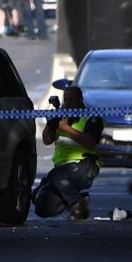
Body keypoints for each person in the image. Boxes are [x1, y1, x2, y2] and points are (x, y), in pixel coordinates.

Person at [32, 86, 104, 220]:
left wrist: (65, 128)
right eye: (66, 100)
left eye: (72, 100)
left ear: (80, 99)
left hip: (84, 165)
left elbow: (90, 141)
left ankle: (77, 204)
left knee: (55, 176)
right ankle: (77, 200)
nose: (68, 104)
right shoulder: (62, 117)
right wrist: (51, 125)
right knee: (41, 203)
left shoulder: (91, 116)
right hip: (63, 169)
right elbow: (47, 140)